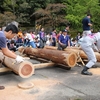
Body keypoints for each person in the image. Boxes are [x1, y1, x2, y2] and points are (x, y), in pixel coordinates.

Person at [0, 24, 24, 90]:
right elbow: (5, 52)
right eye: (13, 35)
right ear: (10, 32)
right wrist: (16, 57)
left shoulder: (1, 34)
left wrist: (14, 56)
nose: (13, 37)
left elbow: (6, 49)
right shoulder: (2, 36)